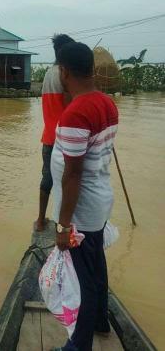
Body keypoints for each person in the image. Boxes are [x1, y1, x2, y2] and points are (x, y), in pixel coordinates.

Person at [51, 41, 119, 351]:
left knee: (83, 280)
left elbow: (73, 174)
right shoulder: (106, 102)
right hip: (99, 201)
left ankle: (79, 346)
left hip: (82, 210)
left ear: (64, 71)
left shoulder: (76, 113)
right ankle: (101, 321)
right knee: (96, 264)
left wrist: (64, 225)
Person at [35, 34, 74, 232]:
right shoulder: (65, 74)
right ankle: (64, 225)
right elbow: (70, 106)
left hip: (48, 136)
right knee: (68, 180)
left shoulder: (49, 73)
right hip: (65, 138)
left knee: (47, 179)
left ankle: (40, 220)